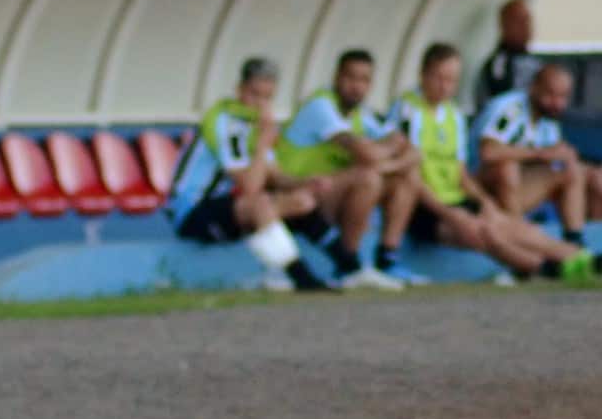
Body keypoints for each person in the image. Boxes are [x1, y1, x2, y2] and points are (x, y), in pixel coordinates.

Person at [385, 44, 602, 285]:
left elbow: (458, 173)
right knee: (487, 231)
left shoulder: (453, 115)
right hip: (425, 209)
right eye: (439, 78)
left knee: (515, 228)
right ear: (423, 74)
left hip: (457, 199)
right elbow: (410, 176)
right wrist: (449, 213)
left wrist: (483, 203)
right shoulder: (407, 110)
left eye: (452, 80)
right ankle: (551, 270)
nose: (445, 86)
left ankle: (598, 260)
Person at [167, 58, 337, 292]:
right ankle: (300, 277)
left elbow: (275, 175)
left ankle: (350, 265)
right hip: (192, 210)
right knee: (260, 205)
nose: (260, 105)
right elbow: (250, 188)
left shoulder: (251, 124)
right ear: (240, 90)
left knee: (303, 199)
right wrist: (263, 144)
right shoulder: (224, 121)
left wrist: (307, 182)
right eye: (255, 95)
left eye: (267, 98)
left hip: (227, 206)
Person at [273, 48, 424, 288]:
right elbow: (367, 154)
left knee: (407, 178)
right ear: (337, 78)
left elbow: (414, 153)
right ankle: (348, 264)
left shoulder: (362, 114)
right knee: (368, 178)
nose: (357, 86)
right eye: (351, 78)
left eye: (364, 80)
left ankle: (387, 258)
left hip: (330, 192)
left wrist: (385, 160)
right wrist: (385, 152)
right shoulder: (320, 106)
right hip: (298, 191)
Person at [475, 64, 602, 233]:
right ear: (533, 88)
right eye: (550, 94)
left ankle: (582, 241)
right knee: (507, 169)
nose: (557, 103)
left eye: (563, 96)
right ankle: (519, 235)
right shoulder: (509, 108)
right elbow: (488, 152)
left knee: (592, 174)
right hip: (479, 187)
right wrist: (541, 153)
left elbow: (554, 159)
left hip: (520, 188)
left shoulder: (548, 121)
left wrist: (592, 169)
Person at [474, 0, 540, 112]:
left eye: (528, 20)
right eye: (519, 21)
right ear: (504, 25)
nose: (526, 27)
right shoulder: (498, 66)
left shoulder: (534, 61)